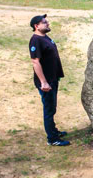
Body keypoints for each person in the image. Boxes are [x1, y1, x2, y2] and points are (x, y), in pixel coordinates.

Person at [29, 14, 70, 146]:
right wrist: (43, 82)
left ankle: (53, 131)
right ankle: (52, 139)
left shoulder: (44, 37)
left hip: (52, 79)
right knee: (48, 109)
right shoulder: (35, 40)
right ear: (37, 26)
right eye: (44, 22)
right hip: (46, 82)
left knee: (52, 107)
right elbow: (35, 62)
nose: (48, 24)